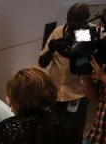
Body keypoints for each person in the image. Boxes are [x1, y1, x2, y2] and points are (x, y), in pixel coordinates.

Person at [38, 2, 93, 136]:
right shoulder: (58, 31)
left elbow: (80, 58)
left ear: (87, 17)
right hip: (54, 94)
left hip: (76, 94)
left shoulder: (91, 32)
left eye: (77, 20)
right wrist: (51, 49)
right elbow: (42, 63)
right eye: (70, 20)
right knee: (50, 132)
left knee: (72, 133)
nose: (73, 24)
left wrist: (75, 47)